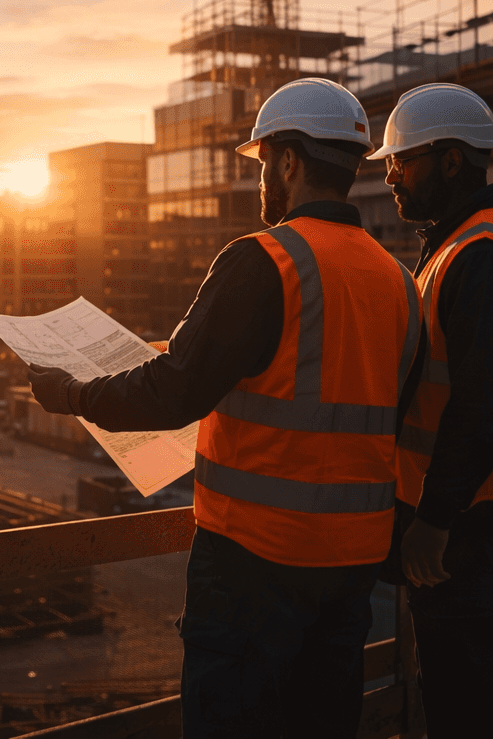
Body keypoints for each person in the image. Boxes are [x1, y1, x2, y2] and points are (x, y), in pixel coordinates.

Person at [27, 78, 423, 739]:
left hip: (255, 563)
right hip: (351, 565)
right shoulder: (398, 282)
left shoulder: (263, 262)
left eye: (264, 161)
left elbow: (175, 392)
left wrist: (71, 395)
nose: (260, 178)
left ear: (289, 162)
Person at [369, 82, 493, 739]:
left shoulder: (486, 258)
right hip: (469, 507)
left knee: (461, 690)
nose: (390, 175)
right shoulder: (460, 245)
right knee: (453, 679)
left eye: (402, 159)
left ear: (451, 161)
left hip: (474, 514)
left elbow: (483, 404)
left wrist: (434, 520)